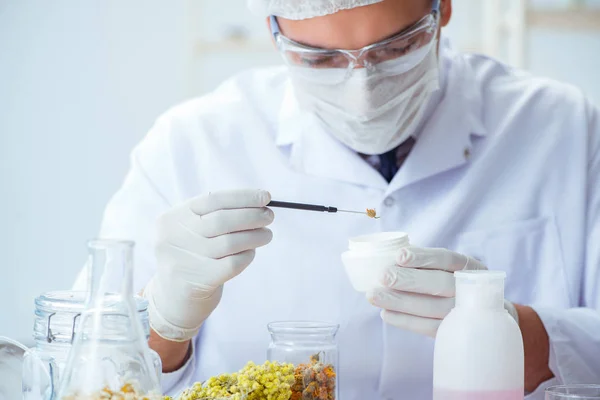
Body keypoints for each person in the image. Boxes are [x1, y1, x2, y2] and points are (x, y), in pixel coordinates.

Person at [74, 0, 600, 398]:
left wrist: (524, 337)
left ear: (443, 10)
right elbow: (85, 373)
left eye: (395, 48)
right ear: (274, 32)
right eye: (320, 58)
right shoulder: (191, 145)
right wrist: (165, 324)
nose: (362, 89)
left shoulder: (565, 128)